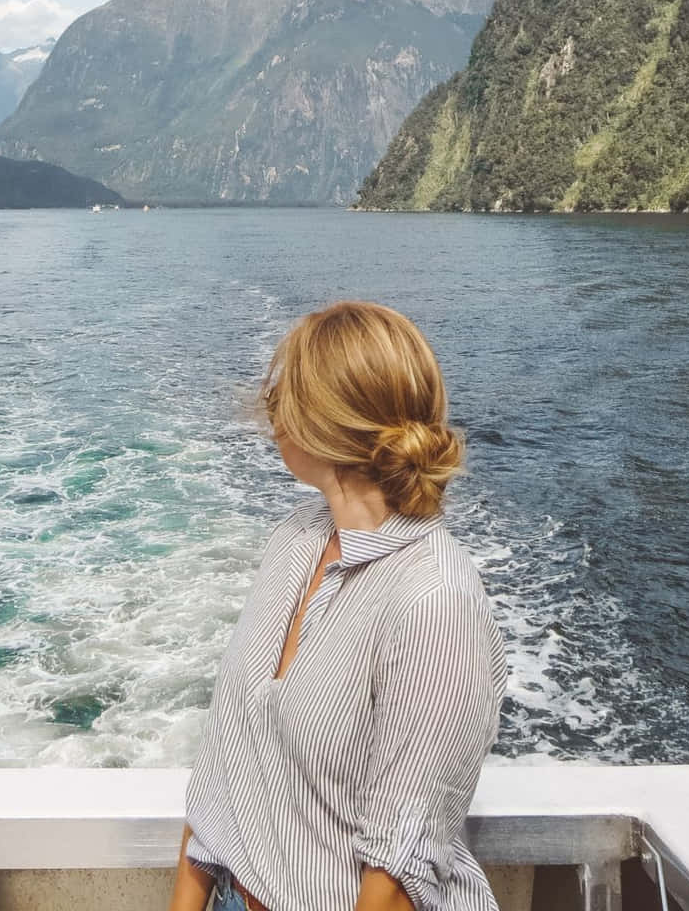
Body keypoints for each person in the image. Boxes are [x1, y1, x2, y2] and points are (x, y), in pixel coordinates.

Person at [168, 301, 509, 911]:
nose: (269, 409)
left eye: (283, 394)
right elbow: (226, 758)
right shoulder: (295, 539)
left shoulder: (433, 601)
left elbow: (399, 871)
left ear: (323, 422)